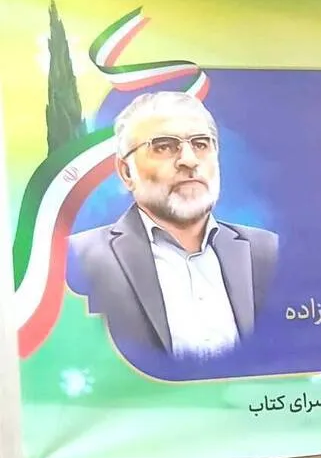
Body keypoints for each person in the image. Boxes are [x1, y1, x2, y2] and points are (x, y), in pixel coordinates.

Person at [68, 91, 277, 359]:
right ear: (126, 172)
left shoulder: (267, 252)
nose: (189, 160)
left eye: (201, 144)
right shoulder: (78, 259)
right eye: (164, 146)